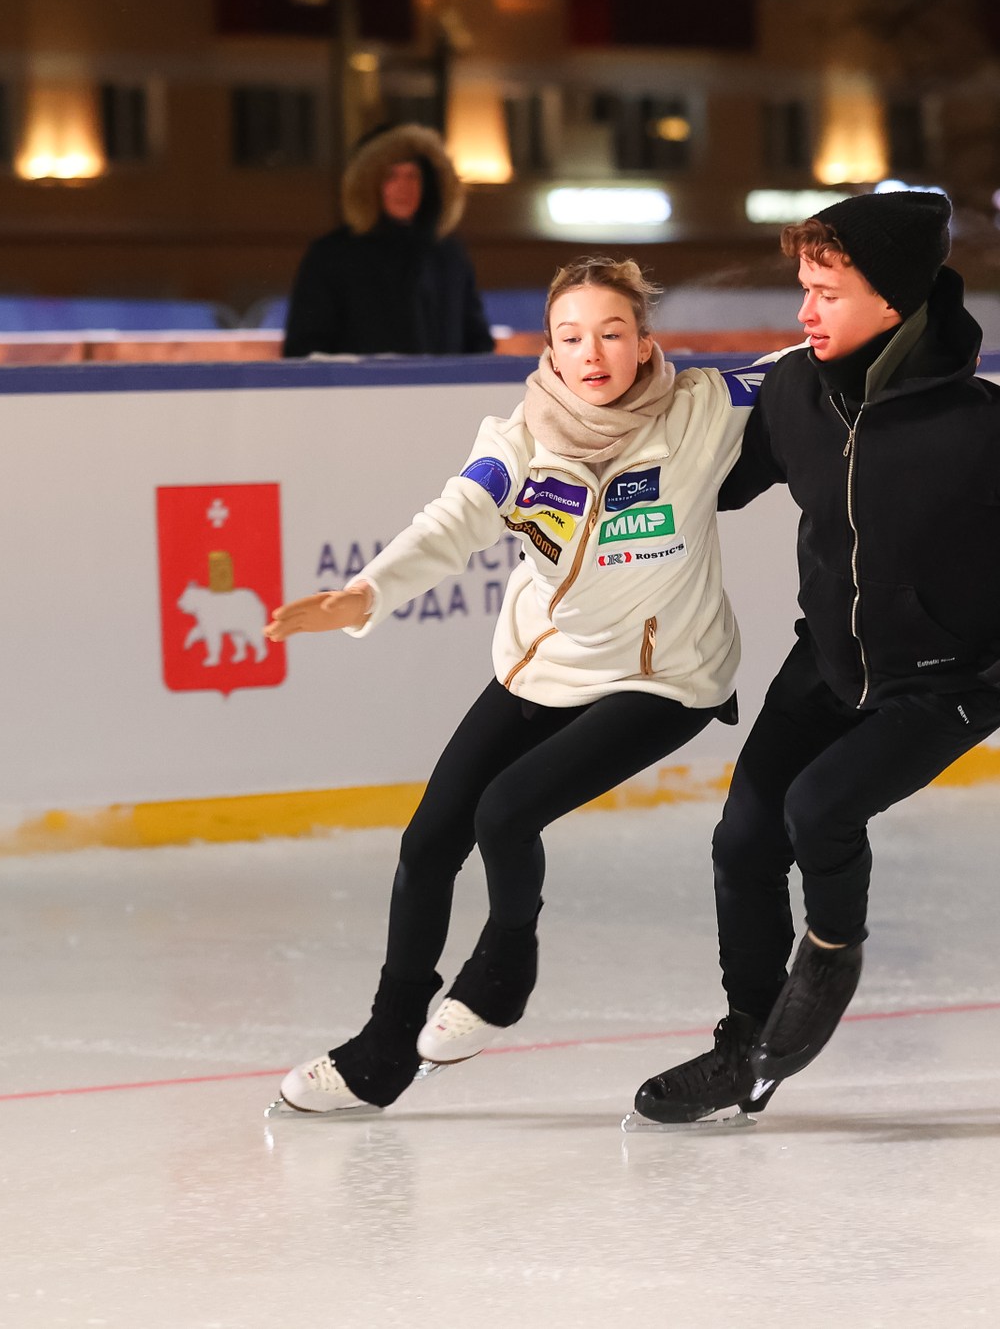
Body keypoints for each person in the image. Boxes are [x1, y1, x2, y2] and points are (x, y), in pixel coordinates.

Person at [631, 191, 1000, 1126]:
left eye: (826, 290)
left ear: (893, 302)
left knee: (818, 808)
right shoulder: (795, 393)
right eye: (803, 287)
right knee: (744, 839)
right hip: (828, 660)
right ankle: (744, 1044)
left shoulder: (997, 425)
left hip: (954, 677)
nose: (805, 311)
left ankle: (829, 955)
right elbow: (721, 483)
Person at [265, 258, 748, 1114]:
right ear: (550, 353)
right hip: (546, 664)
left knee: (506, 810)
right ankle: (382, 1051)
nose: (591, 353)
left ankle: (502, 969)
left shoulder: (703, 412)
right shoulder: (519, 440)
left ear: (643, 342)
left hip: (663, 676)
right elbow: (455, 518)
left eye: (610, 333)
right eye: (571, 338)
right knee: (426, 844)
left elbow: (817, 361)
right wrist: (366, 592)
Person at [281, 123, 494, 358]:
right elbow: (305, 348)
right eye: (391, 176)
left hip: (439, 392)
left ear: (430, 185)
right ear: (369, 184)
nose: (404, 187)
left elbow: (477, 341)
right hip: (359, 392)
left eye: (413, 176)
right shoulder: (331, 256)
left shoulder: (449, 255)